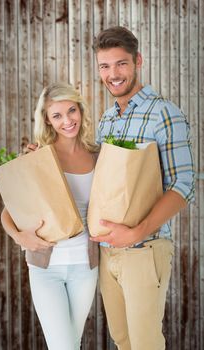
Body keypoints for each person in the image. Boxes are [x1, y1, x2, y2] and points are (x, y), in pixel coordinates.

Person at [90, 26, 195, 350]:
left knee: (145, 344)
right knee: (122, 340)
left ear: (138, 61)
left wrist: (136, 232)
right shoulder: (107, 119)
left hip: (144, 250)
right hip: (107, 253)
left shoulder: (165, 113)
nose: (113, 74)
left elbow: (183, 185)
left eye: (121, 64)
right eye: (105, 66)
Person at [1, 83, 99, 350]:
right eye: (57, 116)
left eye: (71, 111)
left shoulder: (98, 155)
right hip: (46, 269)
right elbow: (7, 213)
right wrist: (20, 236)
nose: (67, 121)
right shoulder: (38, 156)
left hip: (85, 267)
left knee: (71, 343)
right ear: (46, 119)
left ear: (80, 110)